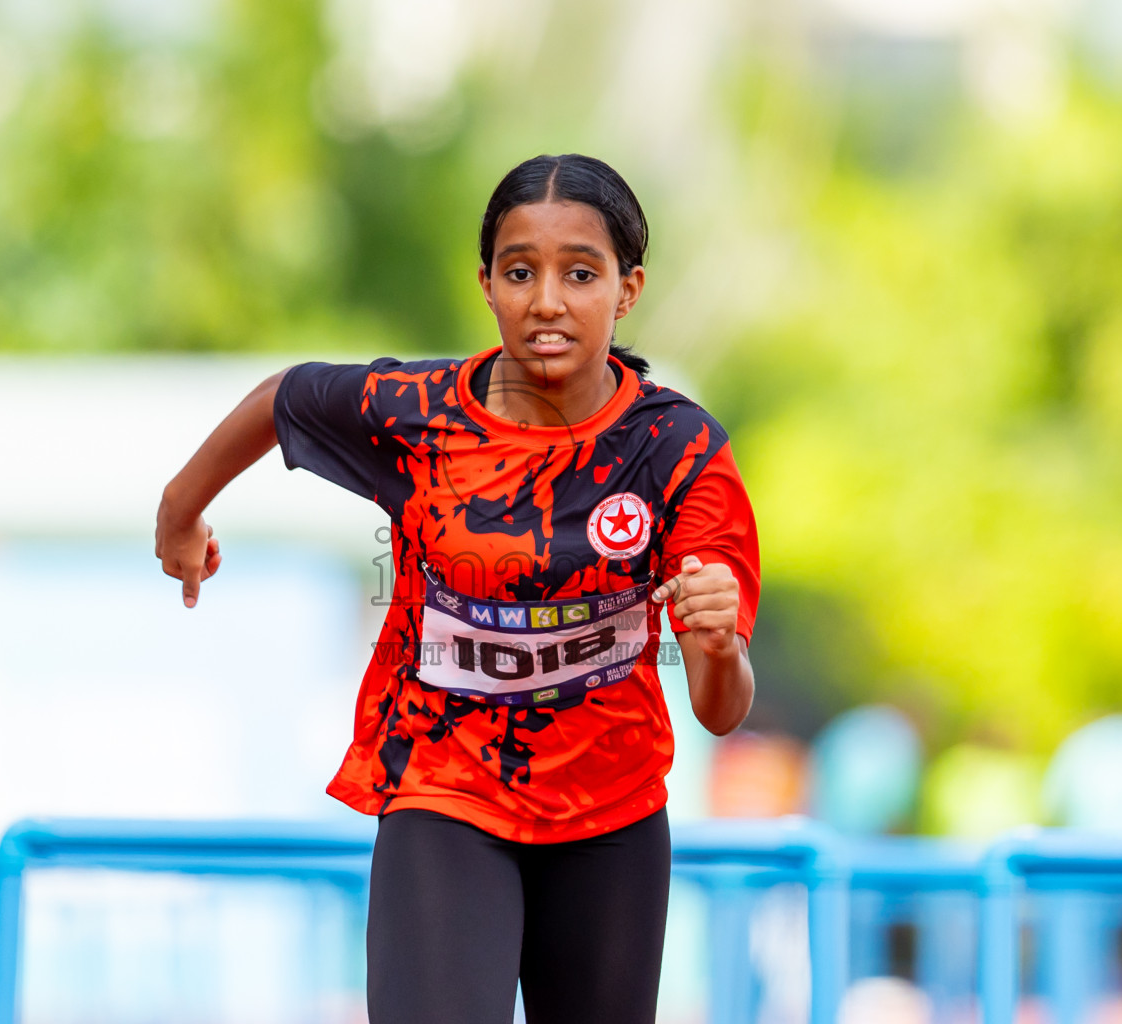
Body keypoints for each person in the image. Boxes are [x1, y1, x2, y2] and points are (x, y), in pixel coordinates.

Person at [156, 153, 760, 1024]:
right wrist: (180, 512)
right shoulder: (420, 413)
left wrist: (714, 645)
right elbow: (283, 397)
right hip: (445, 789)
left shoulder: (678, 450)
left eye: (579, 274)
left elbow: (721, 708)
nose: (547, 300)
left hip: (610, 814)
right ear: (487, 284)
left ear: (627, 290)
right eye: (521, 272)